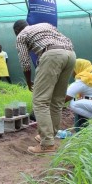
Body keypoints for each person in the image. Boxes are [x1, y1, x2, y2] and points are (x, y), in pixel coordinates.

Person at [13, 20, 76, 154]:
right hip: (70, 55)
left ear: (16, 31)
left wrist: (29, 82)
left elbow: (25, 62)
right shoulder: (45, 25)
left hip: (52, 55)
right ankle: (49, 136)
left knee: (40, 101)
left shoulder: (21, 35)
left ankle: (47, 144)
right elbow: (65, 39)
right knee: (57, 100)